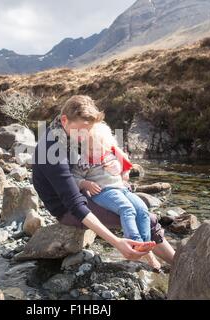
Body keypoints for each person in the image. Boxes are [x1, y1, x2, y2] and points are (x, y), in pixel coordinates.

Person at [32, 95, 175, 264]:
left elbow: (106, 146)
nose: (85, 136)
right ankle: (174, 263)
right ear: (64, 120)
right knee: (143, 217)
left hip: (90, 189)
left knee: (142, 213)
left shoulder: (70, 129)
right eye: (82, 131)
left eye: (88, 130)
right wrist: (116, 242)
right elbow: (75, 204)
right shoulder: (52, 149)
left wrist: (120, 167)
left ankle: (158, 258)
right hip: (66, 207)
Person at [70, 121, 162, 270]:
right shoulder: (84, 161)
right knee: (127, 209)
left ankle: (146, 249)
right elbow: (74, 178)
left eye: (97, 147)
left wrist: (123, 174)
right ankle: (135, 243)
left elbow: (124, 169)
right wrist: (85, 184)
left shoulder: (111, 155)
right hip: (103, 191)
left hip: (121, 189)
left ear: (106, 145)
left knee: (143, 210)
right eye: (89, 147)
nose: (92, 151)